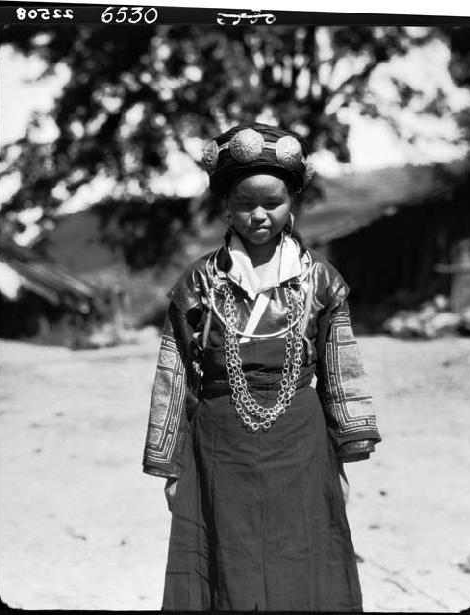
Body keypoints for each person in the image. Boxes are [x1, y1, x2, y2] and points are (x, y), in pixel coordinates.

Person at [142, 122, 381, 611]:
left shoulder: (320, 281)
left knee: (303, 556)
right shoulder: (199, 284)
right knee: (225, 563)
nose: (258, 215)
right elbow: (176, 373)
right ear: (225, 206)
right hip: (219, 444)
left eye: (271, 203)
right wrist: (172, 466)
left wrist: (344, 452)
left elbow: (340, 369)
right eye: (244, 203)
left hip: (301, 440)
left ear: (291, 202)